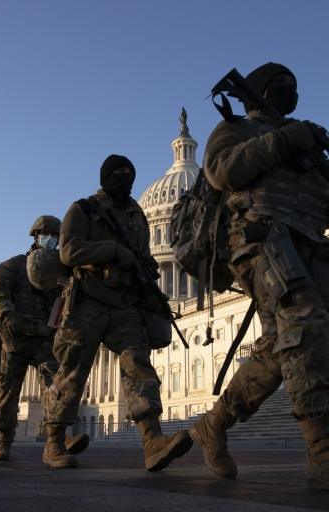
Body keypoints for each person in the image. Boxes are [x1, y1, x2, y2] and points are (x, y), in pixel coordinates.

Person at [193, 62, 329, 493]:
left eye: (295, 85)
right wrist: (284, 139)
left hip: (303, 247)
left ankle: (214, 423)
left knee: (276, 351)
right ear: (259, 91)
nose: (291, 91)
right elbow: (221, 172)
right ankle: (322, 451)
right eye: (281, 84)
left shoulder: (303, 148)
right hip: (259, 242)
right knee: (305, 320)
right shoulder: (237, 130)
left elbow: (314, 208)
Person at [45, 155, 191, 470]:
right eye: (118, 175)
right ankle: (54, 440)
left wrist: (148, 280)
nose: (124, 180)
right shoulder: (83, 209)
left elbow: (144, 256)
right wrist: (110, 252)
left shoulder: (137, 214)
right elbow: (68, 252)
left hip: (125, 303)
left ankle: (152, 440)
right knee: (73, 371)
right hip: (89, 301)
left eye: (129, 175)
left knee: (139, 367)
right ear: (105, 178)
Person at [0, 216, 89, 461]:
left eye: (56, 236)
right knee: (7, 392)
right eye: (47, 234)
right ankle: (3, 440)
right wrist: (7, 313)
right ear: (35, 236)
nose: (51, 240)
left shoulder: (61, 272)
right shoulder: (14, 266)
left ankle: (56, 439)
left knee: (57, 385)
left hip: (45, 337)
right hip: (16, 337)